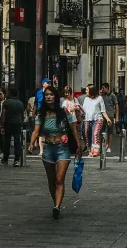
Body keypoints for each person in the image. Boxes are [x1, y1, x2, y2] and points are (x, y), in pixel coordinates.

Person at [29, 86, 81, 219]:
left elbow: (73, 129)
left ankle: (57, 206)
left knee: (59, 179)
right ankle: (55, 204)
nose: (48, 97)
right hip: (48, 149)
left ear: (56, 97)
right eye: (46, 95)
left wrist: (79, 146)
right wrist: (31, 143)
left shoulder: (64, 112)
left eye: (51, 94)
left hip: (62, 149)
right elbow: (36, 130)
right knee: (51, 180)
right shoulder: (41, 114)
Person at [82, 85, 112, 157]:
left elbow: (103, 110)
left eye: (87, 90)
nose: (86, 91)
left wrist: (108, 119)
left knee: (95, 133)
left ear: (91, 91)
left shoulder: (99, 98)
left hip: (98, 119)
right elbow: (83, 110)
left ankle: (96, 151)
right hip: (87, 119)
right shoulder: (86, 99)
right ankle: (90, 149)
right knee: (86, 133)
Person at [0, 88, 25, 166]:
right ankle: (16, 159)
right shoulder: (20, 103)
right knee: (17, 141)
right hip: (17, 123)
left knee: (7, 141)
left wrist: (2, 126)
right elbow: (22, 115)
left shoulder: (6, 102)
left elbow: (3, 114)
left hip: (8, 123)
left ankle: (5, 158)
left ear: (10, 94)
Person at [35, 78, 51, 157]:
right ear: (43, 84)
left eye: (49, 83)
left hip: (49, 113)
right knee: (40, 133)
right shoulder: (39, 93)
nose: (49, 84)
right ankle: (41, 151)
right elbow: (37, 102)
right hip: (40, 113)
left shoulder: (51, 92)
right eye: (47, 83)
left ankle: (47, 150)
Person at [100, 83, 118, 154]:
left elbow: (116, 106)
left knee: (110, 132)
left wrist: (116, 117)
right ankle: (104, 144)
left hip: (110, 115)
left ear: (107, 88)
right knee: (102, 131)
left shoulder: (112, 95)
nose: (102, 89)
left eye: (103, 88)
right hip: (102, 116)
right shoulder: (101, 96)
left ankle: (109, 147)